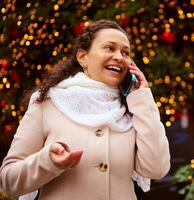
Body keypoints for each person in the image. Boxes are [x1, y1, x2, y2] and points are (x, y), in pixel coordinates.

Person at [0, 19, 170, 200]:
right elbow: (8, 181)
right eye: (110, 48)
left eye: (125, 53)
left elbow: (157, 168)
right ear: (83, 57)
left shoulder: (135, 108)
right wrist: (47, 161)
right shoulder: (48, 102)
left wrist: (143, 97)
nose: (119, 57)